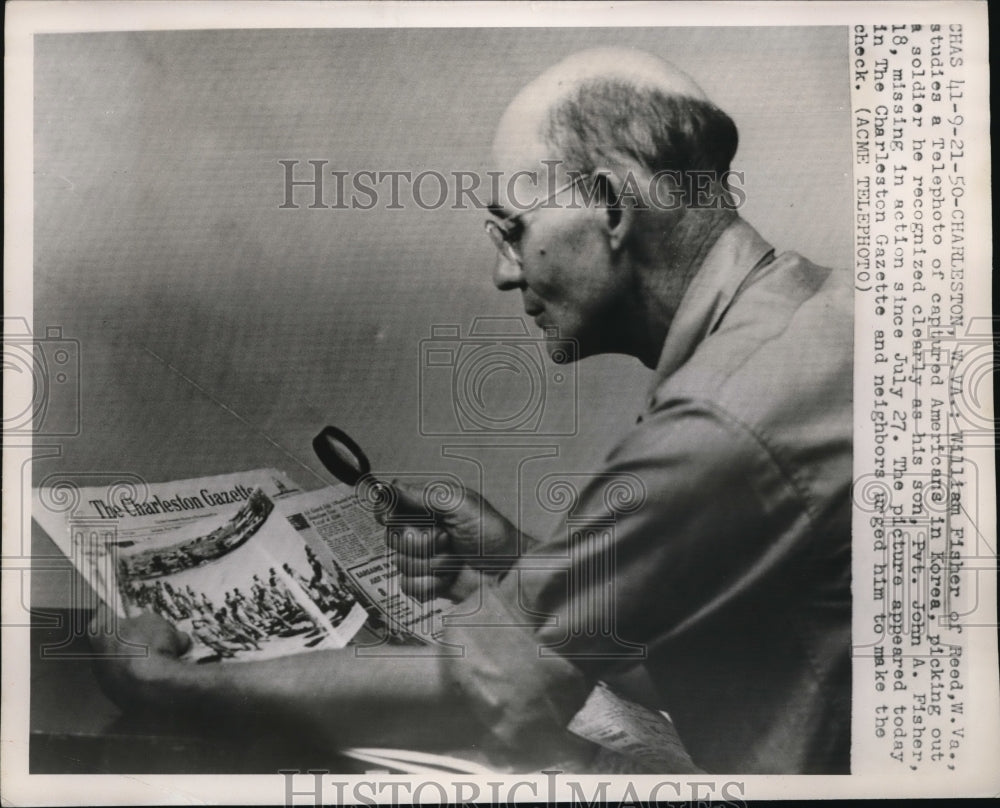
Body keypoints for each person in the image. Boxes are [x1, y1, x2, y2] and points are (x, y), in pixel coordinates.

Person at [89, 48, 851, 774]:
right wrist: (512, 562)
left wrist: (162, 686)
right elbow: (714, 652)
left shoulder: (716, 420)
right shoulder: (813, 318)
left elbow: (477, 697)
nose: (500, 273)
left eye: (513, 231)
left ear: (613, 209)